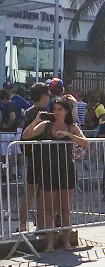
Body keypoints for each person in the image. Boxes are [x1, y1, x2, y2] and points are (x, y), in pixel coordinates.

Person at [21, 96, 88, 251]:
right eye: (54, 109)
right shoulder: (45, 125)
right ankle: (50, 243)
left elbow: (85, 142)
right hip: (48, 169)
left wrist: (69, 135)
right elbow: (26, 135)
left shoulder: (71, 126)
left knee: (65, 207)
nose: (57, 112)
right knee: (49, 208)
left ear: (66, 111)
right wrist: (36, 120)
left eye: (60, 109)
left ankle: (66, 242)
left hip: (66, 169)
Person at [18, 82, 50, 232]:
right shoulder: (41, 113)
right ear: (43, 96)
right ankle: (39, 225)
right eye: (48, 95)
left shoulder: (29, 111)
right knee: (38, 193)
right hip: (41, 155)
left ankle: (25, 224)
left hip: (32, 155)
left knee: (32, 192)